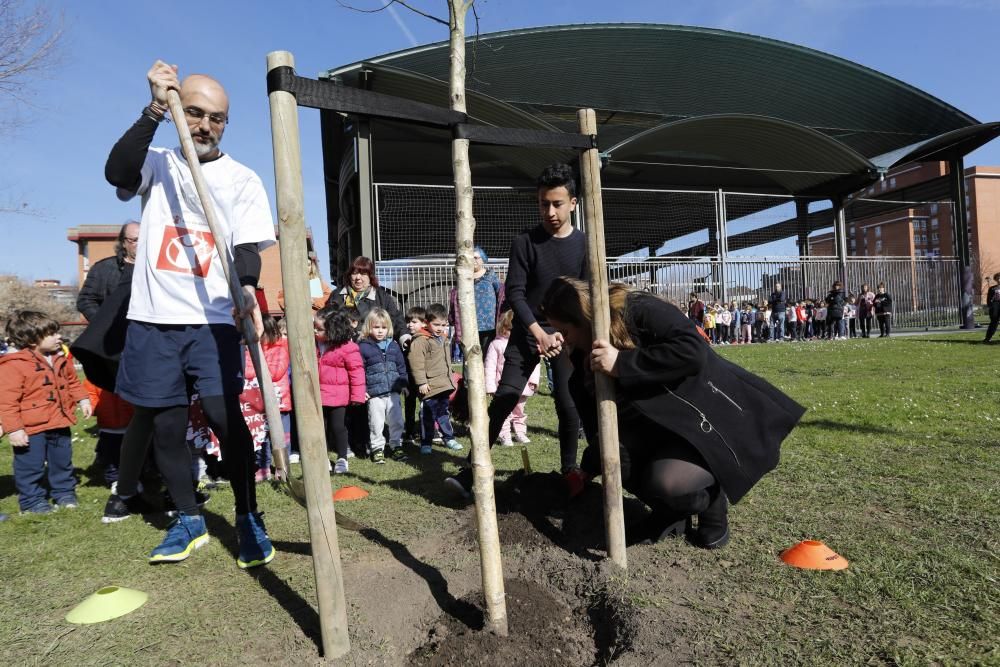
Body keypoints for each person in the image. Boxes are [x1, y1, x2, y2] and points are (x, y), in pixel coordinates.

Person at [100, 61, 275, 568]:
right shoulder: (158, 162)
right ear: (179, 113)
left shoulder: (242, 179)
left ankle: (247, 516)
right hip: (154, 319)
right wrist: (156, 107)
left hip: (214, 320)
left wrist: (245, 290)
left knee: (226, 419)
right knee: (165, 427)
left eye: (216, 118)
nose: (204, 124)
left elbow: (246, 248)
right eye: (193, 112)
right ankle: (189, 518)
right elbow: (116, 172)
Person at [542, 278, 805, 548]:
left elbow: (692, 351)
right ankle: (669, 515)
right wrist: (585, 470)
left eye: (563, 329)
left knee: (668, 483)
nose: (560, 337)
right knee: (616, 458)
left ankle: (712, 498)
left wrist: (622, 362)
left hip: (700, 423)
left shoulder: (637, 309)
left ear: (583, 318)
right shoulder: (581, 357)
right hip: (655, 432)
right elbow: (600, 432)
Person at [446, 163, 586, 498]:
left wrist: (565, 336)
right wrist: (538, 333)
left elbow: (588, 295)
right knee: (505, 398)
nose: (550, 211)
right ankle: (472, 469)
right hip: (526, 334)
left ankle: (570, 472)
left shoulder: (584, 244)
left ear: (573, 203)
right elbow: (517, 293)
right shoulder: (525, 242)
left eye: (557, 203)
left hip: (567, 337)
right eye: (543, 204)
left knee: (569, 406)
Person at [0, 311, 93, 513]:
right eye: (52, 334)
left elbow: (72, 382)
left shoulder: (60, 358)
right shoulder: (13, 365)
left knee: (62, 462)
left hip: (59, 421)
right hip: (30, 428)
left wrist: (83, 399)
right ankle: (32, 502)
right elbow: (7, 402)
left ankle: (64, 493)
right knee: (30, 467)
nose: (59, 337)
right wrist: (14, 429)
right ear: (33, 339)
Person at [315, 305, 366, 474]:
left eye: (319, 329)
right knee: (320, 428)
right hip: (317, 395)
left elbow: (356, 372)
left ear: (332, 330)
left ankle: (342, 457)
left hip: (338, 396)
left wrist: (358, 396)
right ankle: (322, 458)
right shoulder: (314, 345)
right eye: (314, 327)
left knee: (338, 427)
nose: (315, 331)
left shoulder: (347, 348)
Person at [242, 314, 291, 482]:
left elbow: (275, 373)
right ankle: (262, 467)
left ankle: (282, 467)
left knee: (281, 436)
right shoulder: (249, 348)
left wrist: (258, 369)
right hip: (258, 403)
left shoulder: (281, 347)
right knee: (261, 437)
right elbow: (246, 371)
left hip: (279, 402)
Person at [408, 303, 461, 455]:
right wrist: (422, 382)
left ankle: (449, 438)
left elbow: (445, 360)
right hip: (429, 386)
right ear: (426, 323)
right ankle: (426, 442)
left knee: (444, 413)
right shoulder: (420, 340)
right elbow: (416, 363)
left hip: (444, 384)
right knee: (428, 415)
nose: (440, 328)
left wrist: (450, 375)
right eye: (436, 324)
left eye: (443, 325)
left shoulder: (443, 338)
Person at [358, 308, 408, 463]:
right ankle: (377, 448)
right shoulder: (364, 347)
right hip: (374, 394)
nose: (380, 331)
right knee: (376, 422)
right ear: (369, 327)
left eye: (383, 327)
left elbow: (401, 367)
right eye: (376, 327)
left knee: (397, 421)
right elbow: (359, 370)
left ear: (389, 328)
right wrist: (362, 390)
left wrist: (404, 384)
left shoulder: (393, 346)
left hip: (393, 392)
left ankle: (396, 445)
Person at [485, 310, 540, 446]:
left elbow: (535, 363)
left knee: (519, 411)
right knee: (504, 412)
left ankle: (520, 432)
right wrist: (490, 386)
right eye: (509, 329)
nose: (511, 333)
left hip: (524, 386)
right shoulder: (495, 344)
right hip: (502, 386)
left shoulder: (526, 344)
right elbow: (489, 366)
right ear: (503, 328)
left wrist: (534, 380)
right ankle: (505, 435)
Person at [325, 256, 405, 337]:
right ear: (349, 275)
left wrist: (404, 336)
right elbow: (326, 317)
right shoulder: (337, 295)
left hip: (373, 344)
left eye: (363, 274)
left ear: (370, 277)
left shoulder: (382, 297)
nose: (358, 278)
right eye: (354, 273)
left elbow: (396, 318)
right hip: (342, 342)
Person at [449, 245, 505, 358]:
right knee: (469, 356)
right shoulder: (463, 277)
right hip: (468, 323)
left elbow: (501, 294)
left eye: (476, 257)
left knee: (487, 355)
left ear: (483, 259)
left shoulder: (490, 275)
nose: (473, 260)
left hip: (488, 325)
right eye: (471, 258)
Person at [400, 306, 425, 445]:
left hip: (422, 380)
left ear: (423, 323)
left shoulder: (426, 340)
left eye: (414, 322)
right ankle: (409, 432)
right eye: (408, 321)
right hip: (409, 379)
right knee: (409, 406)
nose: (410, 325)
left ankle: (425, 431)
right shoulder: (407, 341)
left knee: (424, 407)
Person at [984, 272, 1000, 344]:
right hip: (995, 305)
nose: (999, 279)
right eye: (998, 278)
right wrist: (990, 305)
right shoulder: (992, 288)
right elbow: (988, 299)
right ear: (996, 279)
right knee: (994, 322)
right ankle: (988, 338)